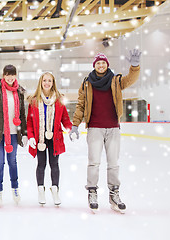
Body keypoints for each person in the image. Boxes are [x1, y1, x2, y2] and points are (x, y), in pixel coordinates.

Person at [69, 49, 141, 213]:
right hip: (94, 128)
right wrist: (75, 124)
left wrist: (134, 66)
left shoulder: (116, 80)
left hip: (113, 128)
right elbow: (80, 105)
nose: (101, 65)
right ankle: (92, 192)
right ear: (94, 66)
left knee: (113, 164)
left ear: (107, 64)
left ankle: (114, 194)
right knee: (94, 162)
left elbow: (130, 80)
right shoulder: (87, 83)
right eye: (98, 63)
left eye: (103, 63)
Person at [0, 65, 27, 207]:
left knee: (12, 162)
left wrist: (24, 133)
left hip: (14, 133)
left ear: (15, 75)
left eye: (12, 74)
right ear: (3, 75)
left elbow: (22, 114)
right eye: (7, 74)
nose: (10, 77)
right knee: (0, 162)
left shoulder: (19, 91)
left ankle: (15, 188)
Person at [27, 72, 72, 206]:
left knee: (54, 164)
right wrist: (30, 137)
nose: (47, 83)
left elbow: (65, 119)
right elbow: (29, 122)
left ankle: (55, 190)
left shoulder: (59, 100)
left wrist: (70, 129)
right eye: (44, 80)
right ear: (41, 82)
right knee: (41, 165)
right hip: (40, 138)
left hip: (54, 138)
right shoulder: (34, 101)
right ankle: (41, 190)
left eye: (50, 81)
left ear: (53, 83)